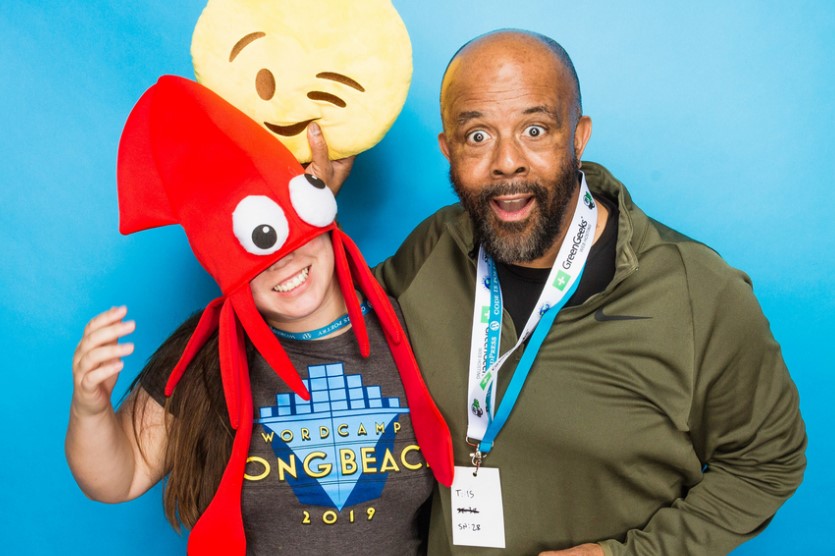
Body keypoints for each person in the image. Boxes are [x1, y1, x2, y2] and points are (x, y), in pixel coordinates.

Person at [368, 30, 806, 555]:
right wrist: (302, 198)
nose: (507, 161)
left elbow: (768, 462)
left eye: (535, 129)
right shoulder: (432, 249)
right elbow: (312, 322)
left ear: (578, 136)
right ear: (448, 148)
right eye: (478, 136)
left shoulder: (697, 290)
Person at [65, 76, 453, 556]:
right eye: (257, 255)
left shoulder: (412, 329)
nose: (283, 263)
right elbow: (118, 478)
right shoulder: (204, 359)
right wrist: (90, 408)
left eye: (294, 235)